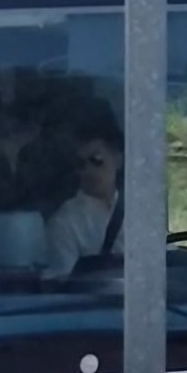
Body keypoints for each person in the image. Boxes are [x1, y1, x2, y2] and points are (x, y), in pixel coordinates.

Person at [44, 109, 125, 278]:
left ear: (118, 159)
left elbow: (167, 264)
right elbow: (66, 290)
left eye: (97, 160)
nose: (88, 170)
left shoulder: (143, 211)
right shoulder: (65, 222)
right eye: (81, 163)